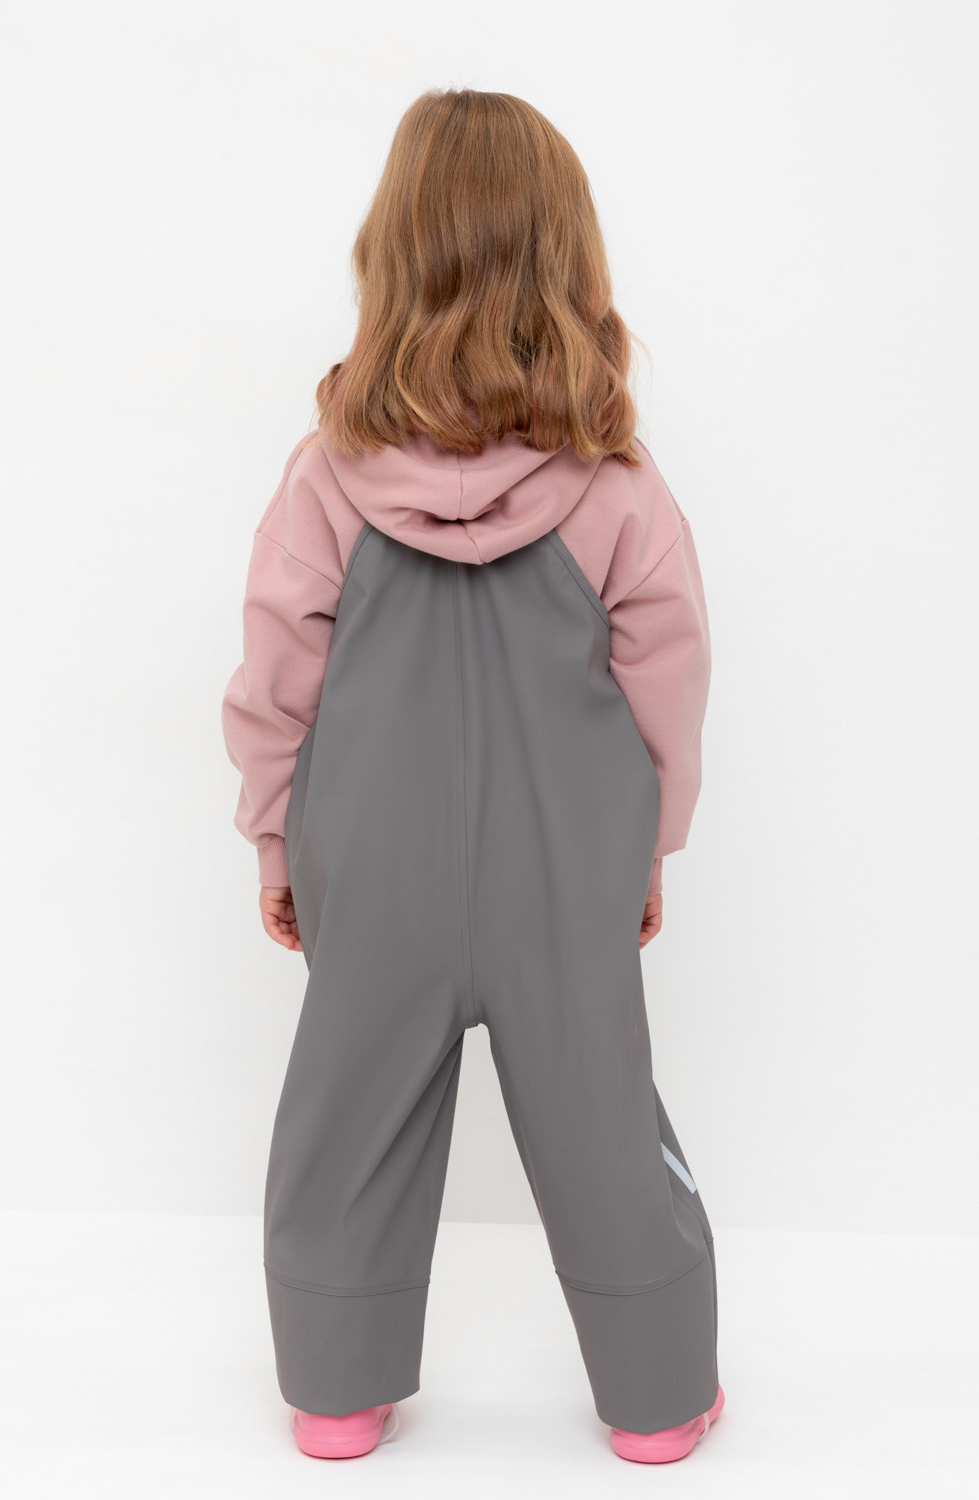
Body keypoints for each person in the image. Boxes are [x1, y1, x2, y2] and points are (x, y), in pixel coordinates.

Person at [221, 85, 724, 1465]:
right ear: (566, 262)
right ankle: (658, 1397)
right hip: (565, 871)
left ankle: (337, 1389)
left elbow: (275, 676)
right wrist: (648, 846)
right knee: (603, 1121)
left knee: (346, 1119)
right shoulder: (616, 483)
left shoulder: (325, 478)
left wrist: (275, 842)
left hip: (372, 867)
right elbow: (669, 674)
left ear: (394, 257)